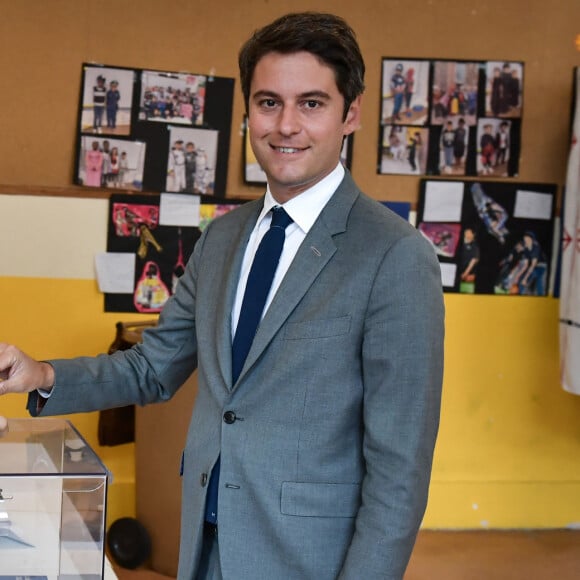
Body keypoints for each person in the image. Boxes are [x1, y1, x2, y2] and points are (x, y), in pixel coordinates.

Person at [0, 12, 444, 580]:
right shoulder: (223, 238)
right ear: (248, 111)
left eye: (311, 103)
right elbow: (152, 368)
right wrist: (40, 375)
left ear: (349, 113)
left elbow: (400, 467)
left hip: (308, 558)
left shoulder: (395, 256)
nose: (286, 125)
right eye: (268, 102)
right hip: (205, 545)